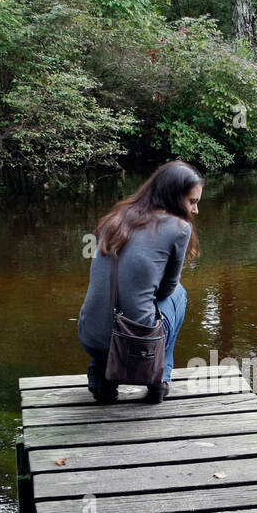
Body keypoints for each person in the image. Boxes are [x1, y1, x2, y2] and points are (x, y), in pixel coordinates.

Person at [77, 161, 202, 404]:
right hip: (137, 344)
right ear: (174, 197)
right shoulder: (179, 228)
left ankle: (102, 374)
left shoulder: (116, 217)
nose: (195, 210)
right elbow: (166, 290)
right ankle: (159, 378)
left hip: (90, 336)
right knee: (179, 293)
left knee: (117, 304)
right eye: (192, 201)